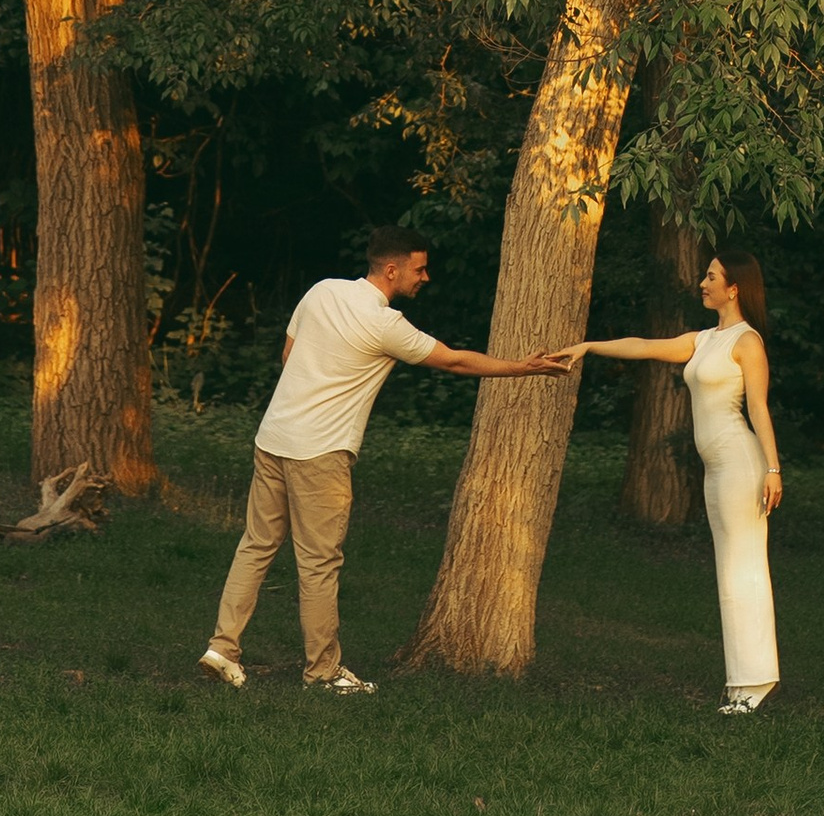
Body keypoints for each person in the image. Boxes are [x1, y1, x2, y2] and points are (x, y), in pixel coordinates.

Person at [200, 230, 574, 695]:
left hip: (273, 437)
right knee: (318, 564)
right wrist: (524, 367)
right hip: (322, 451)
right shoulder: (386, 324)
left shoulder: (322, 290)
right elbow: (454, 362)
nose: (426, 277)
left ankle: (222, 648)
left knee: (255, 546)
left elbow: (289, 355)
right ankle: (322, 674)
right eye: (420, 269)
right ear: (392, 270)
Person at [573, 252, 781, 711]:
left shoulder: (747, 342)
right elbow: (644, 346)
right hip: (717, 467)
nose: (702, 282)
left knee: (743, 570)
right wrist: (588, 347)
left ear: (734, 288)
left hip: (740, 463)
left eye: (711, 276)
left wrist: (772, 469)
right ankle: (742, 683)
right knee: (729, 572)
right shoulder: (706, 339)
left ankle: (754, 685)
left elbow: (759, 409)